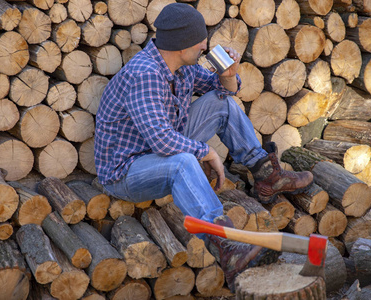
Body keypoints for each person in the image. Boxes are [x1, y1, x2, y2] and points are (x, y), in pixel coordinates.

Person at [95, 3, 313, 291]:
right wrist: (207, 151)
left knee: (220, 104)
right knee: (183, 161)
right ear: (181, 43)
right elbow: (162, 140)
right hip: (126, 172)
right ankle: (226, 245)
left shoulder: (182, 68)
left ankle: (266, 174)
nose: (205, 45)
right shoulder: (145, 73)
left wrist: (228, 73)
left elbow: (225, 91)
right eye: (199, 40)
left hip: (155, 151)